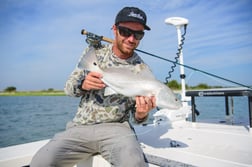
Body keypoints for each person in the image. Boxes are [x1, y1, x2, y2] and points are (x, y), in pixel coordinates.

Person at [30, 6, 155, 167]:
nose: (131, 39)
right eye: (125, 32)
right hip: (80, 127)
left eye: (138, 34)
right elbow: (68, 89)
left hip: (117, 129)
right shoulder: (93, 53)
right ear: (114, 29)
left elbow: (138, 119)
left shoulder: (143, 70)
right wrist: (83, 85)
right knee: (41, 162)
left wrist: (141, 114)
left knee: (134, 163)